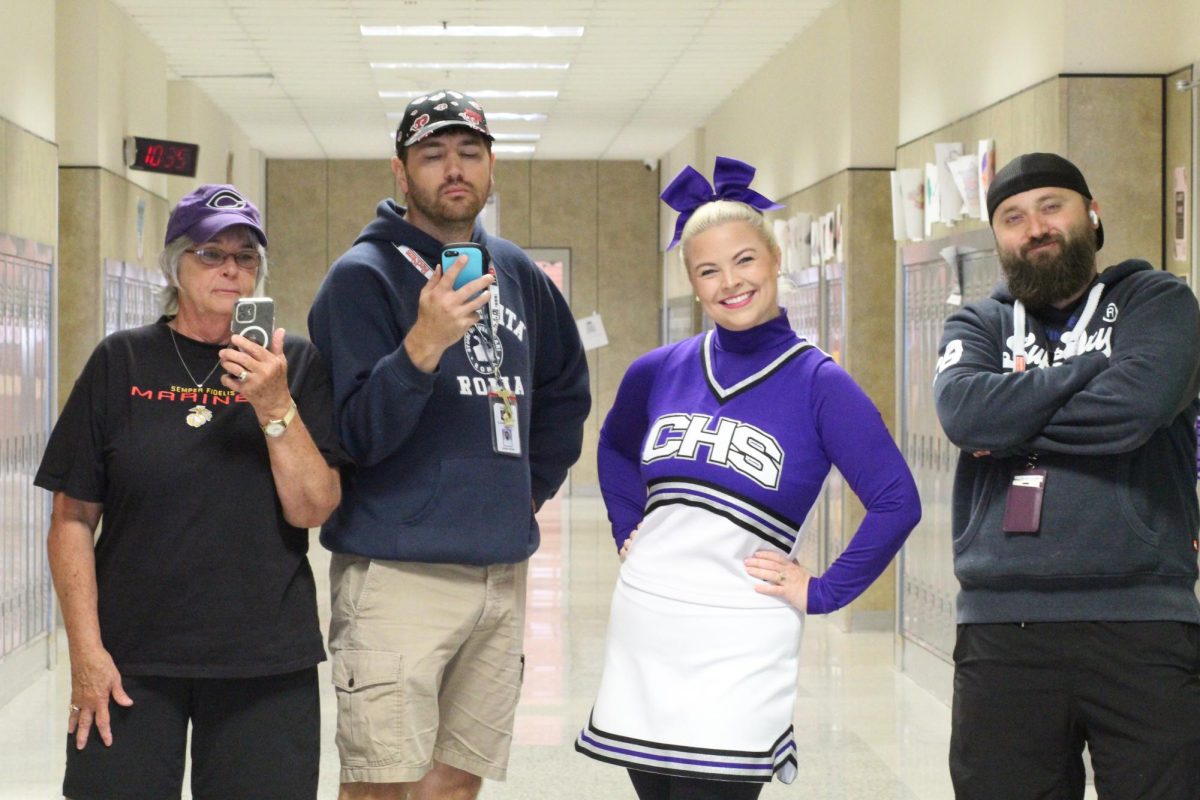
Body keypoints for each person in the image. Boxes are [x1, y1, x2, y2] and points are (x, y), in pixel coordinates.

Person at [574, 157, 921, 800]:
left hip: (741, 636)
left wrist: (822, 592)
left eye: (744, 261)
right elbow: (617, 447)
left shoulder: (820, 383)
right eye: (708, 270)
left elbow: (897, 500)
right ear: (692, 282)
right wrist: (629, 526)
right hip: (647, 626)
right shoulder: (657, 370)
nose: (730, 282)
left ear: (774, 259)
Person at [307, 89, 591, 800]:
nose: (453, 170)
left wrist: (526, 490)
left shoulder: (519, 274)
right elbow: (351, 437)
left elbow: (565, 391)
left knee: (457, 781)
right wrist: (422, 345)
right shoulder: (360, 280)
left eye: (469, 153)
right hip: (398, 573)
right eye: (433, 156)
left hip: (498, 571)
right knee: (382, 782)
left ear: (491, 166)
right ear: (401, 174)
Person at [35, 183, 345, 799]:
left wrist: (275, 406)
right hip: (131, 657)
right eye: (210, 252)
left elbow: (314, 506)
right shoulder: (121, 362)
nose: (230, 268)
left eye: (246, 256)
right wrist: (86, 653)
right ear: (174, 265)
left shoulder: (294, 364)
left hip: (263, 655)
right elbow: (72, 518)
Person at [933, 152, 1200, 799]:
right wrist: (1090, 373)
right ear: (998, 238)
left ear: (1093, 215)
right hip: (1003, 627)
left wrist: (1012, 412)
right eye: (1013, 217)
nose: (1035, 227)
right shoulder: (980, 323)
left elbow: (1136, 410)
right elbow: (964, 413)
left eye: (1052, 206)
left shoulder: (1157, 301)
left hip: (1142, 622)